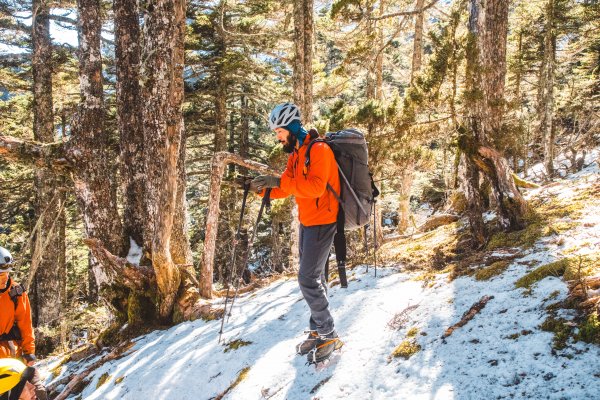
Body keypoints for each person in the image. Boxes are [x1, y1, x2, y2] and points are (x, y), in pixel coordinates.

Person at [250, 103, 343, 363]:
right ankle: (317, 330)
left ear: (290, 127)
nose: (277, 137)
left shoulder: (320, 150)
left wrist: (278, 182)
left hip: (323, 220)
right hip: (308, 221)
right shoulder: (296, 153)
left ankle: (329, 333)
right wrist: (261, 189)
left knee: (308, 279)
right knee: (317, 278)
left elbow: (314, 188)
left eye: (279, 131)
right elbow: (287, 185)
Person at [0, 247, 46, 400]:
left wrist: (29, 351)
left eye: (6, 273)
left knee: (38, 392)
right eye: (0, 275)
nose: (4, 278)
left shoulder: (16, 292)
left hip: (15, 357)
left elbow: (26, 324)